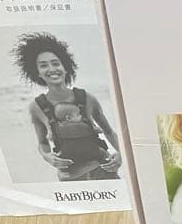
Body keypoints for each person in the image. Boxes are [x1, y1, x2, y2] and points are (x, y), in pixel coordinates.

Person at [12, 32, 122, 182]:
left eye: (56, 63)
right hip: (70, 179)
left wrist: (121, 155)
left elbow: (109, 132)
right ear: (37, 73)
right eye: (43, 65)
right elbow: (43, 143)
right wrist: (48, 157)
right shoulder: (36, 107)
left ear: (65, 67)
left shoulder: (87, 98)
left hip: (104, 172)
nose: (51, 69)